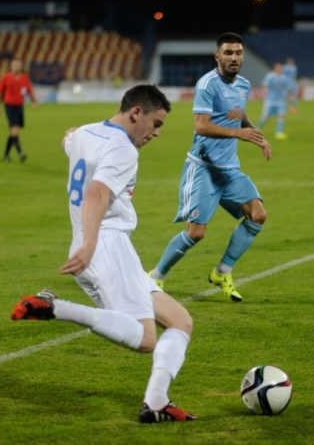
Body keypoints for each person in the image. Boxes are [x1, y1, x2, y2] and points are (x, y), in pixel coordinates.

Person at [11, 85, 197, 424]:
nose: (156, 133)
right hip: (105, 245)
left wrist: (85, 243)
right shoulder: (123, 149)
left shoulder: (84, 133)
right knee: (145, 338)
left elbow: (68, 138)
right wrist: (91, 245)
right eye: (156, 124)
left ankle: (156, 403)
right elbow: (97, 193)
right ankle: (55, 307)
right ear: (136, 113)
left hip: (94, 244)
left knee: (180, 321)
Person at [148, 32, 272, 302]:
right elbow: (201, 126)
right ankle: (155, 276)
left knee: (258, 215)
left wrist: (255, 134)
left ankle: (222, 271)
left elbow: (238, 112)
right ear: (217, 56)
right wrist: (238, 134)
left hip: (230, 169)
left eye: (238, 53)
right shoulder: (207, 84)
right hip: (204, 167)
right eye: (228, 53)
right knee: (196, 233)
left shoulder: (244, 85)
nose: (234, 58)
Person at [0, 59, 38, 162]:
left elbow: (30, 91)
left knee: (12, 132)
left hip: (19, 107)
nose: (16, 67)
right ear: (11, 66)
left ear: (21, 67)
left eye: (18, 65)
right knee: (15, 130)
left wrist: (34, 102)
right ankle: (20, 153)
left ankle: (6, 156)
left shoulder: (24, 78)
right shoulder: (6, 77)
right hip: (9, 106)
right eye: (15, 65)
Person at [258, 62, 297, 140]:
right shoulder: (270, 76)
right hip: (270, 100)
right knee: (266, 116)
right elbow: (265, 85)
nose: (279, 69)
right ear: (275, 68)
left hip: (281, 101)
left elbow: (288, 89)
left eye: (280, 68)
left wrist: (292, 103)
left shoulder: (284, 78)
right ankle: (258, 129)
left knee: (281, 116)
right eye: (278, 68)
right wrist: (264, 92)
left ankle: (279, 133)